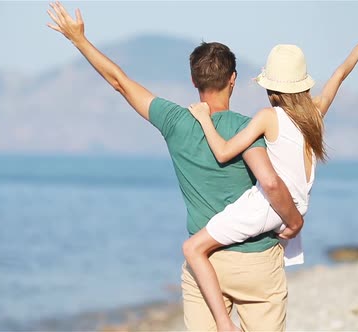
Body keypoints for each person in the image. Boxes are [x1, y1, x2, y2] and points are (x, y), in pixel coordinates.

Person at [46, 2, 304, 331]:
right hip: (255, 260)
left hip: (204, 263)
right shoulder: (248, 127)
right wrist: (293, 221)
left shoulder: (175, 121)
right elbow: (272, 181)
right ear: (233, 80)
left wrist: (78, 40)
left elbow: (120, 83)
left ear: (194, 80)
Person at [183, 28, 358, 331]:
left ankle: (224, 323)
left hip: (271, 204)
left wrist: (204, 119)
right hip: (297, 205)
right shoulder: (313, 114)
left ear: (270, 87)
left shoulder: (268, 117)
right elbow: (338, 77)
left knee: (193, 249)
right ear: (302, 85)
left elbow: (223, 153)